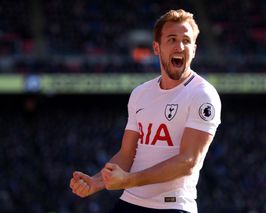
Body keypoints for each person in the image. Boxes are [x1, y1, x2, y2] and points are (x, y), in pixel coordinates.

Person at [69, 9, 221, 213]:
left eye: (186, 40)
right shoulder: (140, 94)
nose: (180, 46)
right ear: (157, 47)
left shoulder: (202, 95)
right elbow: (127, 154)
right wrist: (96, 182)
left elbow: (188, 162)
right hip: (129, 203)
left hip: (172, 206)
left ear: (194, 49)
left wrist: (129, 180)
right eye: (172, 39)